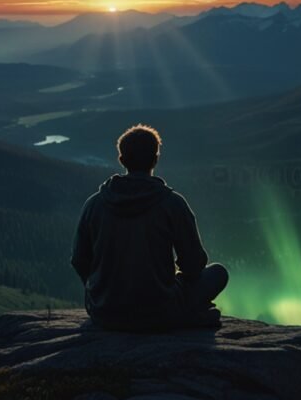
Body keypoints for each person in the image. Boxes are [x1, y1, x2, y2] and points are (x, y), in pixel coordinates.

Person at [71, 124, 228, 330]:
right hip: (161, 312)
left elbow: (79, 260)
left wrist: (102, 288)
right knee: (218, 273)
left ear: (122, 160)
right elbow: (194, 265)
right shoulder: (172, 203)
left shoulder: (95, 204)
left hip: (105, 313)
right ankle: (187, 316)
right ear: (156, 159)